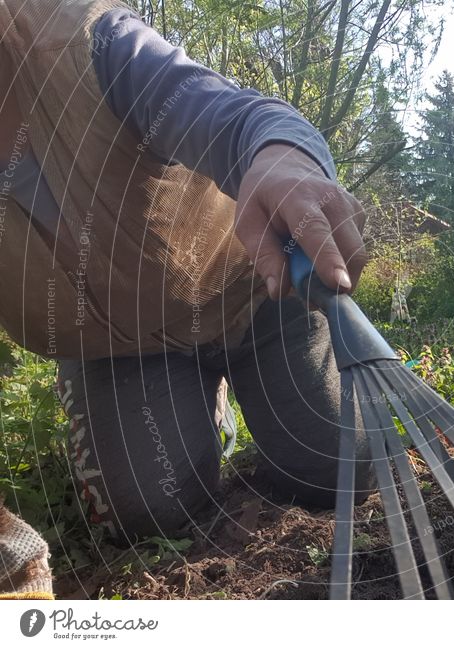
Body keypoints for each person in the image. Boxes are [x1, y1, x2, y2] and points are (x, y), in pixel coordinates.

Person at [0, 0, 373, 599]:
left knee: (341, 463)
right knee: (148, 512)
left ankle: (259, 366)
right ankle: (203, 405)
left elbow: (234, 113)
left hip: (249, 286)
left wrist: (281, 157)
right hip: (113, 346)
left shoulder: (83, 38)